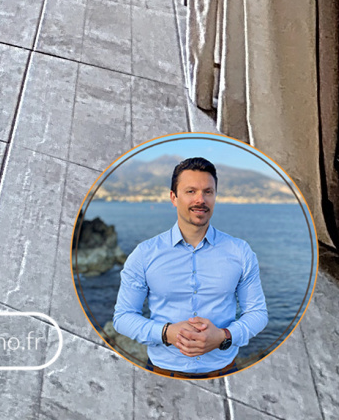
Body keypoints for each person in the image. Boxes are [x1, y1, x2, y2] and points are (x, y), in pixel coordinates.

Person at [112, 157, 268, 376]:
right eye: (190, 191)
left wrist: (224, 336)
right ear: (173, 198)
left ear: (215, 196)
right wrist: (166, 333)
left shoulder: (240, 252)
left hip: (224, 370)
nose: (200, 200)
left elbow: (257, 313)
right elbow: (123, 317)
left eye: (208, 192)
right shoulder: (144, 254)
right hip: (162, 371)